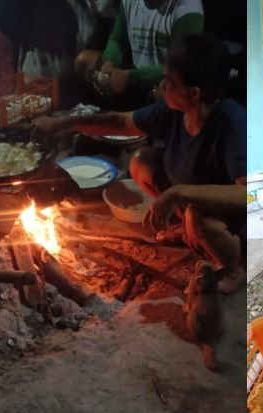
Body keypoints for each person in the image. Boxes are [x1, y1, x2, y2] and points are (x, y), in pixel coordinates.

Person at [33, 33, 246, 292]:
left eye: (168, 82)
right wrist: (63, 124)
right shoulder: (173, 111)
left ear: (193, 93)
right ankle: (186, 231)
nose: (161, 86)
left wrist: (179, 193)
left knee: (196, 215)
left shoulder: (231, 123)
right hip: (188, 201)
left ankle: (233, 269)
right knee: (140, 162)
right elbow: (120, 123)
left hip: (228, 220)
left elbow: (248, 195)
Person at [82, 0, 205, 109]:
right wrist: (109, 63)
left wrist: (130, 77)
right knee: (85, 61)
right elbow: (118, 40)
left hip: (164, 79)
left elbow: (180, 68)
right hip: (136, 74)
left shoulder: (187, 9)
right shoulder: (129, 2)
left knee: (166, 91)